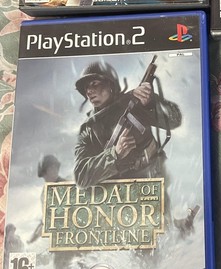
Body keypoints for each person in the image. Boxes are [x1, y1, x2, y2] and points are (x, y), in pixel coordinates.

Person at [73, 60, 181, 189]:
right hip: (121, 190)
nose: (89, 91)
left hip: (154, 178)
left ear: (110, 84)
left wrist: (151, 102)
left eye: (94, 83)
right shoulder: (88, 128)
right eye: (86, 88)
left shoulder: (135, 101)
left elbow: (174, 120)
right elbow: (81, 177)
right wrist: (114, 154)